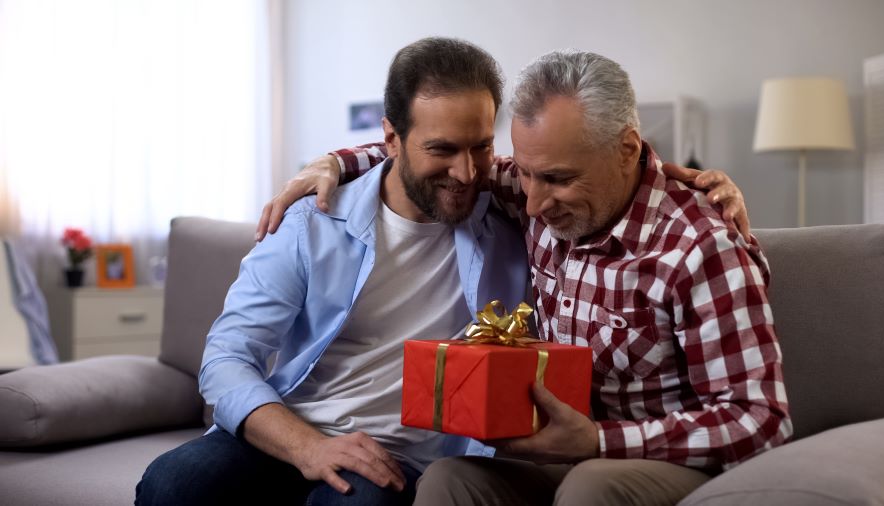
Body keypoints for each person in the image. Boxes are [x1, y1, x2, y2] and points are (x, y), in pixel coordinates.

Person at [267, 50, 790, 505]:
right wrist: (335, 162)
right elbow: (426, 156)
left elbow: (761, 419)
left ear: (627, 149)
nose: (534, 202)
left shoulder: (701, 247)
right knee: (450, 480)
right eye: (526, 173)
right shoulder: (539, 190)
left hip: (658, 461)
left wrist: (598, 443)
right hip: (558, 454)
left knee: (592, 489)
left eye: (558, 179)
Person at [135, 37, 532, 506]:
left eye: (481, 147)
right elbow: (226, 359)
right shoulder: (310, 224)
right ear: (391, 139)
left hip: (398, 458)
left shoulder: (515, 224)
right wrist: (308, 447)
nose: (466, 172)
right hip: (292, 431)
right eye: (441, 149)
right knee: (171, 484)